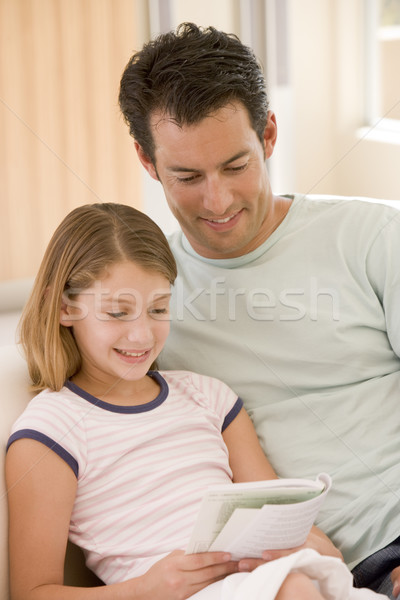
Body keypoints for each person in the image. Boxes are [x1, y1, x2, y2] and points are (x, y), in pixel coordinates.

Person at [118, 22, 400, 600]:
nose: (216, 201)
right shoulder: (145, 304)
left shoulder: (374, 236)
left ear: (269, 135)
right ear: (148, 162)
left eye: (235, 166)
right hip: (294, 573)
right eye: (187, 177)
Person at [6, 202, 380, 600]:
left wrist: (318, 547)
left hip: (273, 580)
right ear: (66, 307)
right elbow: (32, 592)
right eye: (117, 313)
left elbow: (284, 514)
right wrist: (144, 590)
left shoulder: (208, 397)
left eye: (158, 309)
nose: (142, 336)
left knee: (301, 582)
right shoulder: (50, 433)